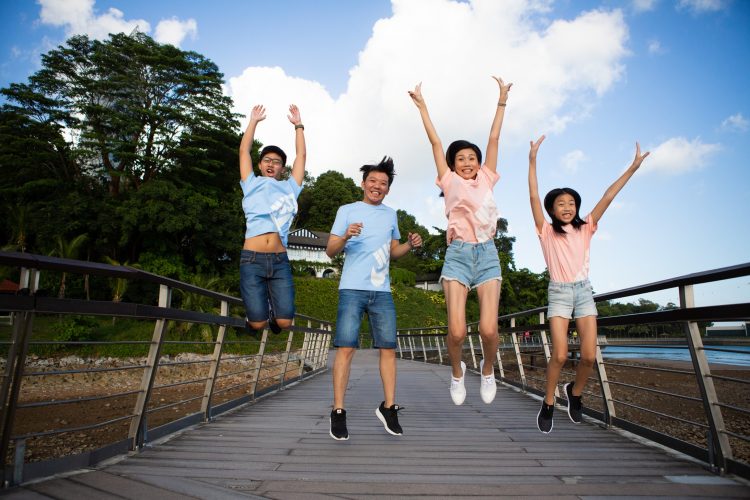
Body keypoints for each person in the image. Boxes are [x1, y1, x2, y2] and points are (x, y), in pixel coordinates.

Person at [528, 135, 649, 433]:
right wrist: (532, 161)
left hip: (583, 292)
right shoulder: (546, 231)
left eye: (571, 202)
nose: (567, 206)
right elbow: (532, 197)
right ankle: (548, 403)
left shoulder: (586, 228)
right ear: (552, 210)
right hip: (558, 292)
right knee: (558, 354)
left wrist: (632, 168)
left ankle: (575, 393)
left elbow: (608, 196)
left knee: (589, 355)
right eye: (560, 203)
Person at [408, 77, 511, 406]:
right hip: (458, 255)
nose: (467, 162)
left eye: (472, 158)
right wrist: (423, 106)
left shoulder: (487, 178)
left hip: (487, 254)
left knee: (489, 331)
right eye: (461, 158)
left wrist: (501, 101)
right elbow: (436, 144)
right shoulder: (450, 180)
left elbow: (494, 137)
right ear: (452, 166)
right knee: (455, 332)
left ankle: (488, 369)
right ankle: (457, 373)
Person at [326, 157, 422, 441]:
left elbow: (393, 252)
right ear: (363, 183)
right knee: (346, 349)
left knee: (389, 350)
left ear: (388, 189)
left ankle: (388, 407)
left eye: (383, 183)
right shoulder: (347, 210)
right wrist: (345, 235)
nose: (377, 186)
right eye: (373, 181)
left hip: (382, 292)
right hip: (352, 289)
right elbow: (330, 250)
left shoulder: (391, 215)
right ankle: (339, 411)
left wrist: (410, 245)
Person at [238, 104, 306, 336]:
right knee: (257, 325)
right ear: (260, 165)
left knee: (285, 322)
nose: (270, 164)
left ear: (282, 168)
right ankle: (255, 319)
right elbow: (243, 152)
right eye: (266, 160)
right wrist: (253, 121)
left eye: (276, 161)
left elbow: (302, 156)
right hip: (252, 259)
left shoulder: (290, 188)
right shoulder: (251, 183)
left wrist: (298, 125)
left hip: (279, 260)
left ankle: (274, 318)